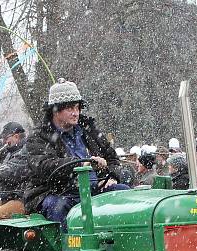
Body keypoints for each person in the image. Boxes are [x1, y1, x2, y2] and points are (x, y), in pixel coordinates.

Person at [25, 79, 128, 222]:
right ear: (55, 110)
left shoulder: (89, 130)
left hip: (95, 190)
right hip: (56, 193)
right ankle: (68, 244)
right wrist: (81, 165)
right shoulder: (38, 136)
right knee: (58, 206)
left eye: (77, 107)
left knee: (122, 192)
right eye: (70, 108)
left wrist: (112, 177)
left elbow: (112, 158)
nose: (76, 113)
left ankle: (120, 241)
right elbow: (44, 166)